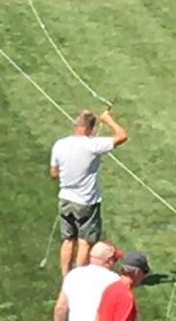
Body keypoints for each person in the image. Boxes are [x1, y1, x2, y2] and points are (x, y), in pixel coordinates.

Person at [49, 108, 128, 270]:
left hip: (65, 199)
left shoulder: (60, 144)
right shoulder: (93, 145)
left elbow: (53, 173)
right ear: (90, 128)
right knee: (84, 242)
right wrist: (107, 120)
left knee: (68, 240)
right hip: (86, 202)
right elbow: (122, 136)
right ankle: (78, 277)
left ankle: (66, 278)